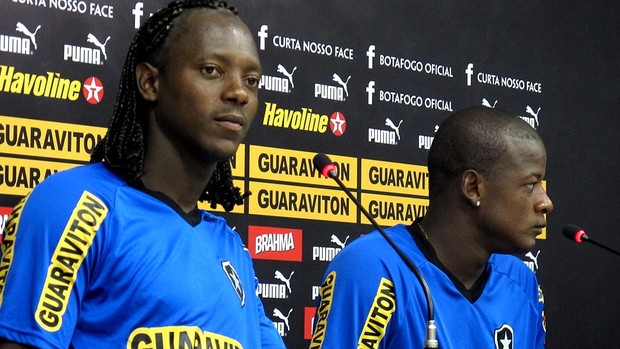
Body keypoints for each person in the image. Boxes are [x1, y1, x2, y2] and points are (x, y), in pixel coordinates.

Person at [0, 1, 287, 348]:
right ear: (150, 82)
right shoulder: (76, 206)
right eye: (211, 70)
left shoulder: (228, 246)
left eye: (251, 80)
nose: (238, 92)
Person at [310, 106, 552, 349]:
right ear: (473, 187)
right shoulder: (373, 268)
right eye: (530, 185)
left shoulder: (520, 281)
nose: (546, 203)